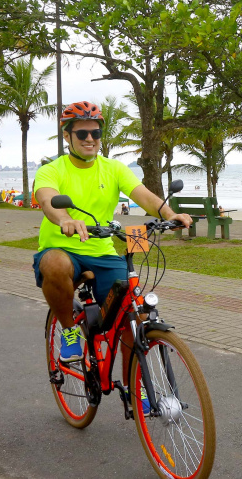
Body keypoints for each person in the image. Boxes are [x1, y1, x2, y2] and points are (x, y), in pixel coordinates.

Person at [32, 101, 193, 408]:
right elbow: (47, 198)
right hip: (62, 249)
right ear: (67, 136)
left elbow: (143, 196)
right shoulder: (52, 170)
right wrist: (65, 218)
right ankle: (69, 332)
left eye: (95, 132)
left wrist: (171, 214)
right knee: (54, 263)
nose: (89, 138)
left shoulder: (114, 168)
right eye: (81, 133)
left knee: (135, 312)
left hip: (103, 252)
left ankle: (137, 389)